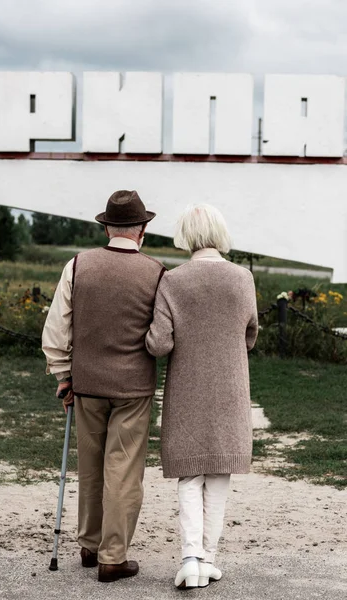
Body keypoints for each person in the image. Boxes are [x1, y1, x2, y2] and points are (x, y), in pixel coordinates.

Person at [42, 190, 166, 583]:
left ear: (107, 226)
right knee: (124, 471)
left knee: (90, 467)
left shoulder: (78, 265)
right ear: (142, 229)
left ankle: (89, 545)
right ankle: (114, 556)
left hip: (88, 383)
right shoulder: (157, 271)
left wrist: (64, 375)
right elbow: (161, 335)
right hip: (133, 388)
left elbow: (57, 327)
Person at [146, 204, 258, 590]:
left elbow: (160, 344)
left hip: (187, 390)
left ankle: (191, 558)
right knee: (219, 474)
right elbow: (251, 334)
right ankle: (208, 559)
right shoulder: (242, 278)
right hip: (230, 388)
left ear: (186, 236)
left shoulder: (172, 281)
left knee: (190, 474)